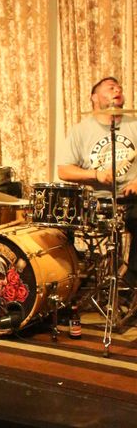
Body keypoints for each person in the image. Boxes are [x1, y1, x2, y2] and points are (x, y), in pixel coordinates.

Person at [58, 76, 137, 287]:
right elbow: (64, 170)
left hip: (130, 198)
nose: (117, 90)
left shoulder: (134, 125)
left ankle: (131, 283)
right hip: (95, 201)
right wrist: (95, 174)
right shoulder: (80, 130)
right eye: (111, 88)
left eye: (119, 88)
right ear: (94, 97)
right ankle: (74, 282)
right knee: (60, 222)